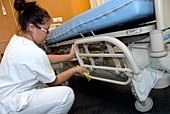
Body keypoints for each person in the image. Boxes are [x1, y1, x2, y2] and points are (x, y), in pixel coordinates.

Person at [0, 0, 87, 113]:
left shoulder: (17, 41)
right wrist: (75, 69)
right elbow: (54, 82)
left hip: (5, 97)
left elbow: (43, 58)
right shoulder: (33, 51)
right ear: (32, 27)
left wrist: (69, 56)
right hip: (12, 104)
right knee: (66, 95)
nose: (48, 34)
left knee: (43, 86)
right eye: (46, 30)